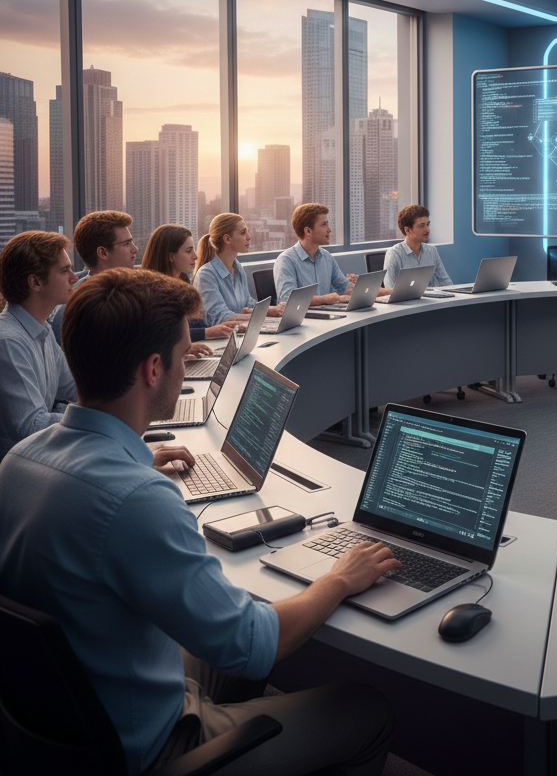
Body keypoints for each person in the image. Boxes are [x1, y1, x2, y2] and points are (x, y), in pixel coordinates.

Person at [0, 267, 399, 776]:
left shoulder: (19, 462)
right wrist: (340, 578)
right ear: (151, 370)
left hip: (69, 716)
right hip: (149, 745)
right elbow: (254, 647)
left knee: (249, 615)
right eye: (183, 351)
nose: (191, 358)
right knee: (366, 710)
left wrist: (135, 463)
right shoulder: (139, 500)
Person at [0, 230, 77, 457]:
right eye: (65, 271)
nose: (74, 277)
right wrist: (95, 417)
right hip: (18, 480)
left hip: (41, 462)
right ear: (35, 282)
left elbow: (74, 388)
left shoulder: (41, 330)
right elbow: (31, 427)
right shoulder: (8, 342)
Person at [48, 209, 137, 345]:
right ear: (103, 252)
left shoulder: (134, 292)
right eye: (126, 244)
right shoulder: (75, 309)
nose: (135, 249)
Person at [139, 224, 239, 344]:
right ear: (171, 256)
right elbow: (161, 334)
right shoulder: (152, 293)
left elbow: (194, 324)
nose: (195, 256)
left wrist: (224, 326)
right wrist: (208, 332)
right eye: (188, 251)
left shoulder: (183, 280)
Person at [193, 213, 285, 327]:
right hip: (219, 341)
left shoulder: (238, 268)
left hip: (240, 334)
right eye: (243, 233)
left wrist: (273, 310)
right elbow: (221, 318)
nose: (249, 237)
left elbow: (248, 304)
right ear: (227, 239)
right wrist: (265, 317)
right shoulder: (206, 275)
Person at [274, 203, 358, 306]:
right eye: (323, 225)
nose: (329, 229)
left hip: (328, 316)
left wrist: (363, 288)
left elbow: (345, 287)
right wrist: (325, 299)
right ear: (308, 231)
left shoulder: (327, 257)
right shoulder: (286, 260)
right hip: (304, 320)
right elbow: (286, 300)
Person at [383, 205, 453, 290]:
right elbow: (390, 290)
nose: (427, 229)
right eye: (421, 226)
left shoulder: (432, 251)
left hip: (433, 301)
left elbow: (445, 282)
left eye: (427, 224)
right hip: (408, 302)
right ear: (407, 230)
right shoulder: (394, 254)